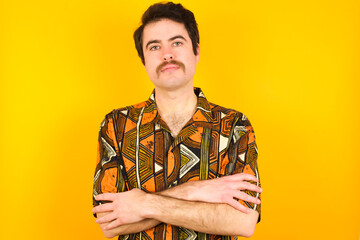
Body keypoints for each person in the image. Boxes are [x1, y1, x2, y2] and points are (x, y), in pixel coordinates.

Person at [92, 2, 262, 239]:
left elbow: (243, 221)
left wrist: (142, 204)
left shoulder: (235, 125)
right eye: (154, 47)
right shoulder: (116, 125)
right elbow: (109, 221)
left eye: (177, 42)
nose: (167, 53)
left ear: (197, 51)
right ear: (144, 60)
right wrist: (197, 190)